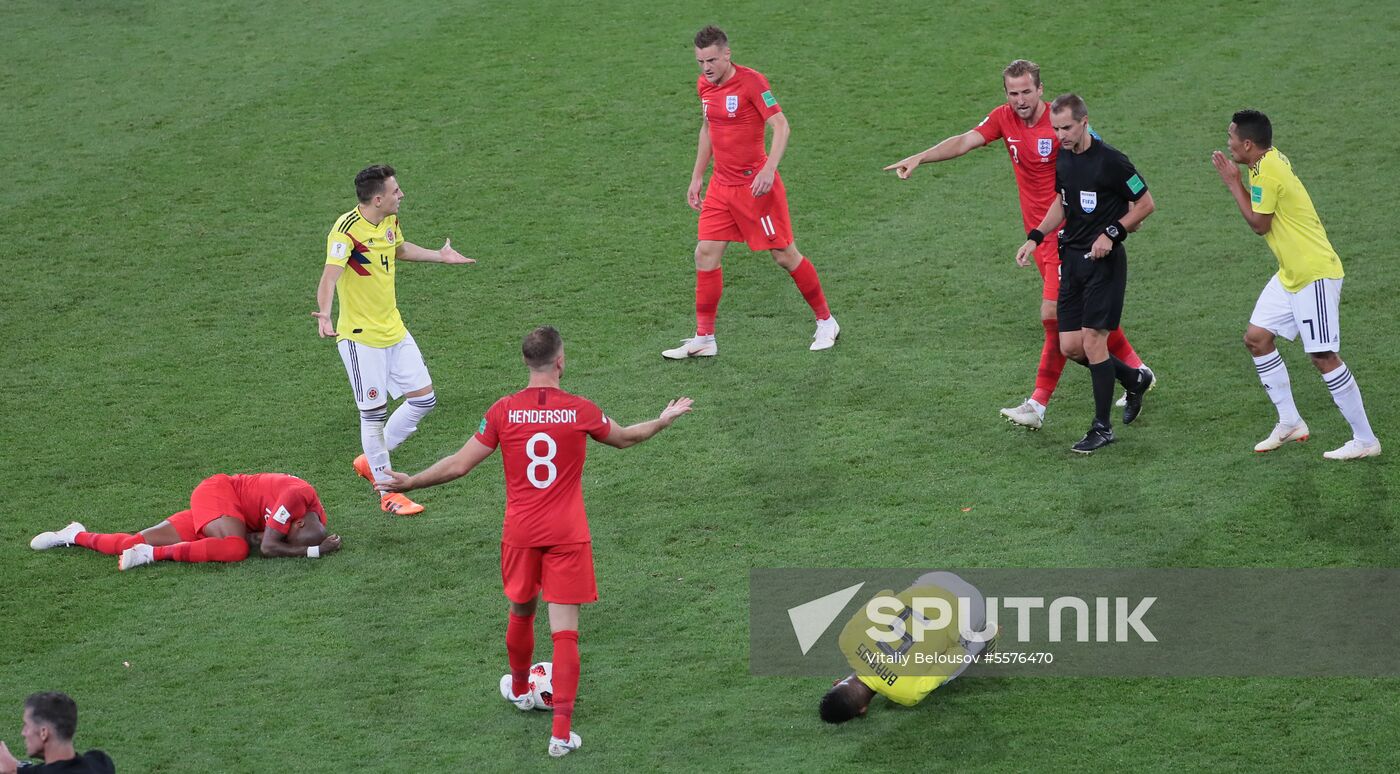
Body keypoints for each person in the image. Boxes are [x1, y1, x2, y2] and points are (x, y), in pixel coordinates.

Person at [379, 326, 693, 757]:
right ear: (560, 361)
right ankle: (560, 735)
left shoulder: (504, 411)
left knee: (522, 612)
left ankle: (521, 688)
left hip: (521, 534)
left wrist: (412, 481)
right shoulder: (580, 410)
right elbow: (626, 438)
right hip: (567, 534)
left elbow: (458, 465)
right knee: (565, 636)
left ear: (526, 362)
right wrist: (662, 420)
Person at [885, 60, 1153, 430]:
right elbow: (965, 141)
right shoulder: (1004, 118)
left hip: (1071, 238)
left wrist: (1122, 222)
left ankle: (1038, 404)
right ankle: (1136, 373)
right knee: (1083, 319)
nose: (1020, 100)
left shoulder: (1062, 126)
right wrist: (921, 157)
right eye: (1013, 93)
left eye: (1027, 91)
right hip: (1040, 236)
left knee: (1054, 316)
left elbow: (1101, 166)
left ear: (1040, 90)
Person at [1211, 110, 1380, 459]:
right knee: (1257, 338)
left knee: (1323, 356)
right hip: (1291, 271)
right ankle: (1290, 421)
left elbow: (1259, 224)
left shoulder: (1267, 171)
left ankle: (1366, 440)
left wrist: (1232, 183)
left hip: (1313, 274)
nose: (1228, 143)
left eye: (1231, 138)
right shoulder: (1266, 161)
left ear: (1248, 144)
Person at [662, 25, 839, 359]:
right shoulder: (705, 86)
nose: (706, 68)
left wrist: (769, 169)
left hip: (755, 188)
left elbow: (781, 125)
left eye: (711, 60)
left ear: (727, 54)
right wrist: (697, 176)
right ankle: (705, 338)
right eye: (700, 62)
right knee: (705, 254)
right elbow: (708, 128)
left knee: (784, 255)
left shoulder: (752, 83)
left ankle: (826, 321)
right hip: (721, 187)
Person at [313, 164, 477, 516]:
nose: (401, 195)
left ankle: (371, 461)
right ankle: (387, 492)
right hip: (361, 340)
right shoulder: (346, 231)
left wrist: (439, 256)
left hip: (394, 330)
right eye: (395, 191)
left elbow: (398, 249)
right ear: (378, 199)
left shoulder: (389, 221)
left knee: (424, 399)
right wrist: (325, 313)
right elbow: (330, 277)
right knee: (373, 415)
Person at [1014, 94, 1156, 453]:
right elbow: (1062, 202)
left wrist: (1112, 233)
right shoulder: (1063, 158)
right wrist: (1035, 237)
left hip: (1103, 265)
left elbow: (1145, 204)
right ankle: (1134, 379)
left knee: (1093, 340)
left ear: (1084, 122)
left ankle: (1102, 428)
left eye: (1066, 128)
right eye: (1056, 128)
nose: (1060, 135)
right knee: (1072, 347)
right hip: (1072, 262)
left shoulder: (1112, 162)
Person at [29, 473, 339, 570]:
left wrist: (262, 537)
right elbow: (268, 547)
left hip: (228, 515)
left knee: (130, 543)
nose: (282, 534)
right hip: (219, 494)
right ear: (298, 523)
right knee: (236, 548)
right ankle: (153, 556)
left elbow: (266, 540)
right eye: (288, 534)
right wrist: (314, 552)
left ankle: (73, 535)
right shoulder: (296, 496)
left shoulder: (312, 520)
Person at [819, 572, 996, 724]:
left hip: (972, 605)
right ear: (837, 682)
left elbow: (956, 655)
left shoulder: (907, 693)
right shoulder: (847, 639)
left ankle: (983, 635)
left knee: (944, 677)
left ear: (863, 709)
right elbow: (885, 594)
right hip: (936, 579)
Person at [0, 692, 114, 773]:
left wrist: (14, 769)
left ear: (44, 733)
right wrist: (17, 768)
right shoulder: (100, 762)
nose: (23, 733)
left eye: (27, 726)